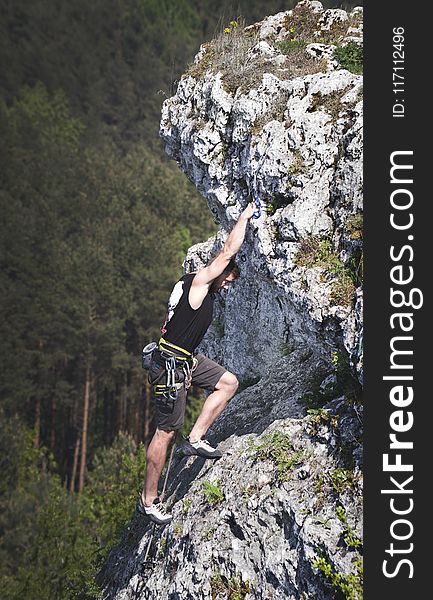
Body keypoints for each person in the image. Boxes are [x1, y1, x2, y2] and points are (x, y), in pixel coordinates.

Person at [138, 202, 256, 524]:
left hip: (185, 359)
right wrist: (244, 217)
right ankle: (149, 499)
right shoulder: (200, 282)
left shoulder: (195, 287)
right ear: (218, 274)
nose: (228, 286)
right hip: (170, 366)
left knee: (228, 383)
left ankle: (197, 437)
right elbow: (227, 252)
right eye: (228, 280)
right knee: (165, 432)